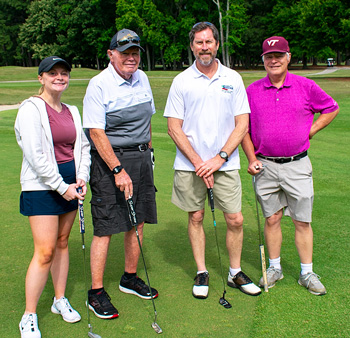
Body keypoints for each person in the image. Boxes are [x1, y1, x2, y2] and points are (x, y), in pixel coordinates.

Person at [163, 22, 261, 300]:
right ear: (192, 46)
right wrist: (199, 162)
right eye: (199, 42)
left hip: (225, 163)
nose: (204, 47)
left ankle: (235, 271)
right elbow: (174, 127)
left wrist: (218, 159)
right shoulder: (181, 80)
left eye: (209, 42)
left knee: (235, 219)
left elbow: (242, 124)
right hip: (190, 165)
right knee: (196, 216)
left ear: (217, 44)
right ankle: (202, 271)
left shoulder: (233, 78)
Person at [242, 36, 339, 295]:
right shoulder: (251, 91)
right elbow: (243, 130)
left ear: (288, 57)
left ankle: (307, 273)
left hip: (297, 165)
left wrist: (311, 131)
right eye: (268, 57)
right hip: (264, 165)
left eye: (279, 55)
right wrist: (251, 159)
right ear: (263, 60)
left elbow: (331, 107)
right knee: (272, 218)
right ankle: (274, 268)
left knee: (301, 220)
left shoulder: (305, 86)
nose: (274, 60)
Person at [83, 28, 158, 319]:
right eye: (125, 52)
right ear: (111, 54)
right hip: (109, 162)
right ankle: (96, 292)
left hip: (141, 158)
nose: (131, 57)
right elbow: (96, 132)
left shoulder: (143, 78)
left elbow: (147, 120)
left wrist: (148, 154)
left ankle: (129, 277)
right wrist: (117, 169)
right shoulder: (99, 84)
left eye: (135, 51)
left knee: (137, 221)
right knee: (106, 227)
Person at [15, 56, 91, 338]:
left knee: (62, 243)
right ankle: (29, 315)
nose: (59, 77)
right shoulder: (31, 109)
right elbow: (36, 156)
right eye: (53, 73)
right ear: (41, 78)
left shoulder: (72, 109)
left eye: (64, 73)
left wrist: (82, 177)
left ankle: (60, 299)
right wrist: (63, 186)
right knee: (44, 251)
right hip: (42, 186)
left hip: (71, 184)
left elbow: (82, 146)